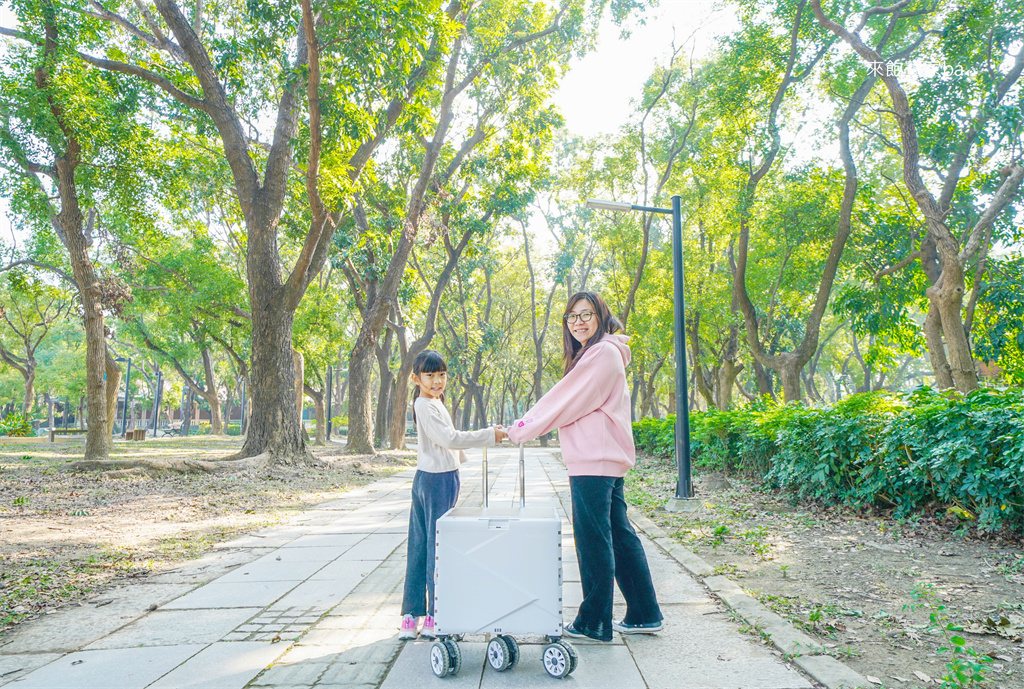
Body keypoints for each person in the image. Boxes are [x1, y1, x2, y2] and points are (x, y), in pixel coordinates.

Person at [506, 290, 663, 642]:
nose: (578, 322)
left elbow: (565, 400)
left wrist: (520, 429)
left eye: (586, 314)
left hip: (595, 459)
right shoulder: (600, 353)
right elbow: (568, 398)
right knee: (619, 537)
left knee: (595, 541)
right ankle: (644, 613)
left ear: (601, 316)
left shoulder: (602, 353)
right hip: (603, 458)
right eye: (572, 316)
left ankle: (593, 622)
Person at [399, 349, 508, 640]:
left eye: (442, 375)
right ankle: (435, 616)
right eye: (430, 375)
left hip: (428, 478)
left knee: (422, 545)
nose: (437, 381)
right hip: (438, 480)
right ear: (416, 378)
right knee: (437, 547)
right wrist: (490, 435)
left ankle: (411, 617)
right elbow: (450, 438)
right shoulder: (426, 405)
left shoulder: (431, 403)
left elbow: (448, 437)